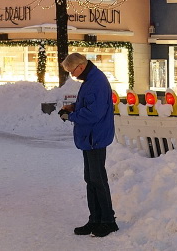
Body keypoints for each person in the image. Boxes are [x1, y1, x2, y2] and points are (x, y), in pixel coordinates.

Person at [59, 52, 117, 238]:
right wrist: (74, 107)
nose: (73, 75)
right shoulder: (91, 80)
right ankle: (95, 220)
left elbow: (94, 113)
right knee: (91, 180)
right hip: (91, 138)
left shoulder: (96, 82)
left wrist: (71, 116)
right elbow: (90, 105)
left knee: (97, 180)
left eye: (72, 71)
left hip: (95, 137)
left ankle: (108, 221)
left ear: (81, 66)